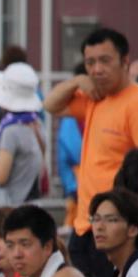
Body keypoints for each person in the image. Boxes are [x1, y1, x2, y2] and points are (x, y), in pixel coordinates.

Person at [44, 27, 138, 277]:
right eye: (90, 63)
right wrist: (77, 81)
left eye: (105, 60)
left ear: (125, 61)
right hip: (85, 224)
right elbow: (50, 105)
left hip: (116, 229)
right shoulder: (95, 98)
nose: (97, 69)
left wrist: (127, 214)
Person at [0, 62, 44, 210]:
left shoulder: (11, 131)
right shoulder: (36, 124)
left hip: (12, 208)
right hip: (32, 204)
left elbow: (0, 178)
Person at [57, 63, 87, 232]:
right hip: (79, 179)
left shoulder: (71, 109)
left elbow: (65, 153)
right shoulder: (74, 110)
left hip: (78, 179)